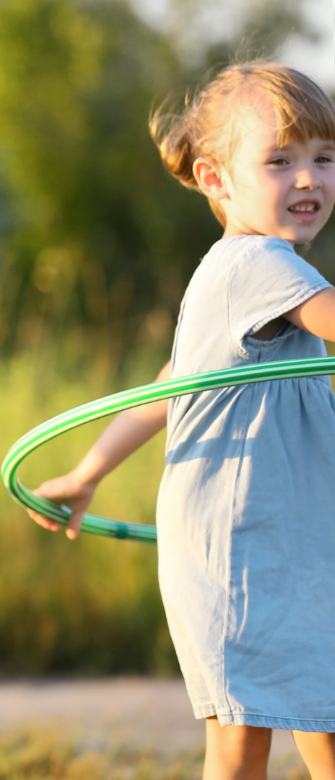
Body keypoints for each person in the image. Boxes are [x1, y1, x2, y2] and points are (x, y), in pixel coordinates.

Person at [29, 62, 335, 780]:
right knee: (242, 739)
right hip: (241, 556)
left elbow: (169, 388)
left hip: (284, 548)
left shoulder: (249, 274)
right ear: (215, 180)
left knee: (320, 720)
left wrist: (86, 472)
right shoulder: (259, 263)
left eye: (324, 158)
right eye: (280, 160)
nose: (309, 179)